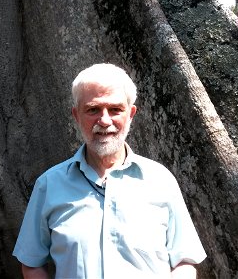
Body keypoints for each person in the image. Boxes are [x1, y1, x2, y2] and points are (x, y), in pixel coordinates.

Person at [13, 63, 206, 278]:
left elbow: (184, 261)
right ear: (76, 115)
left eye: (115, 109)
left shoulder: (161, 181)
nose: (104, 121)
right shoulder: (49, 185)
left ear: (131, 114)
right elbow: (31, 263)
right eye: (93, 109)